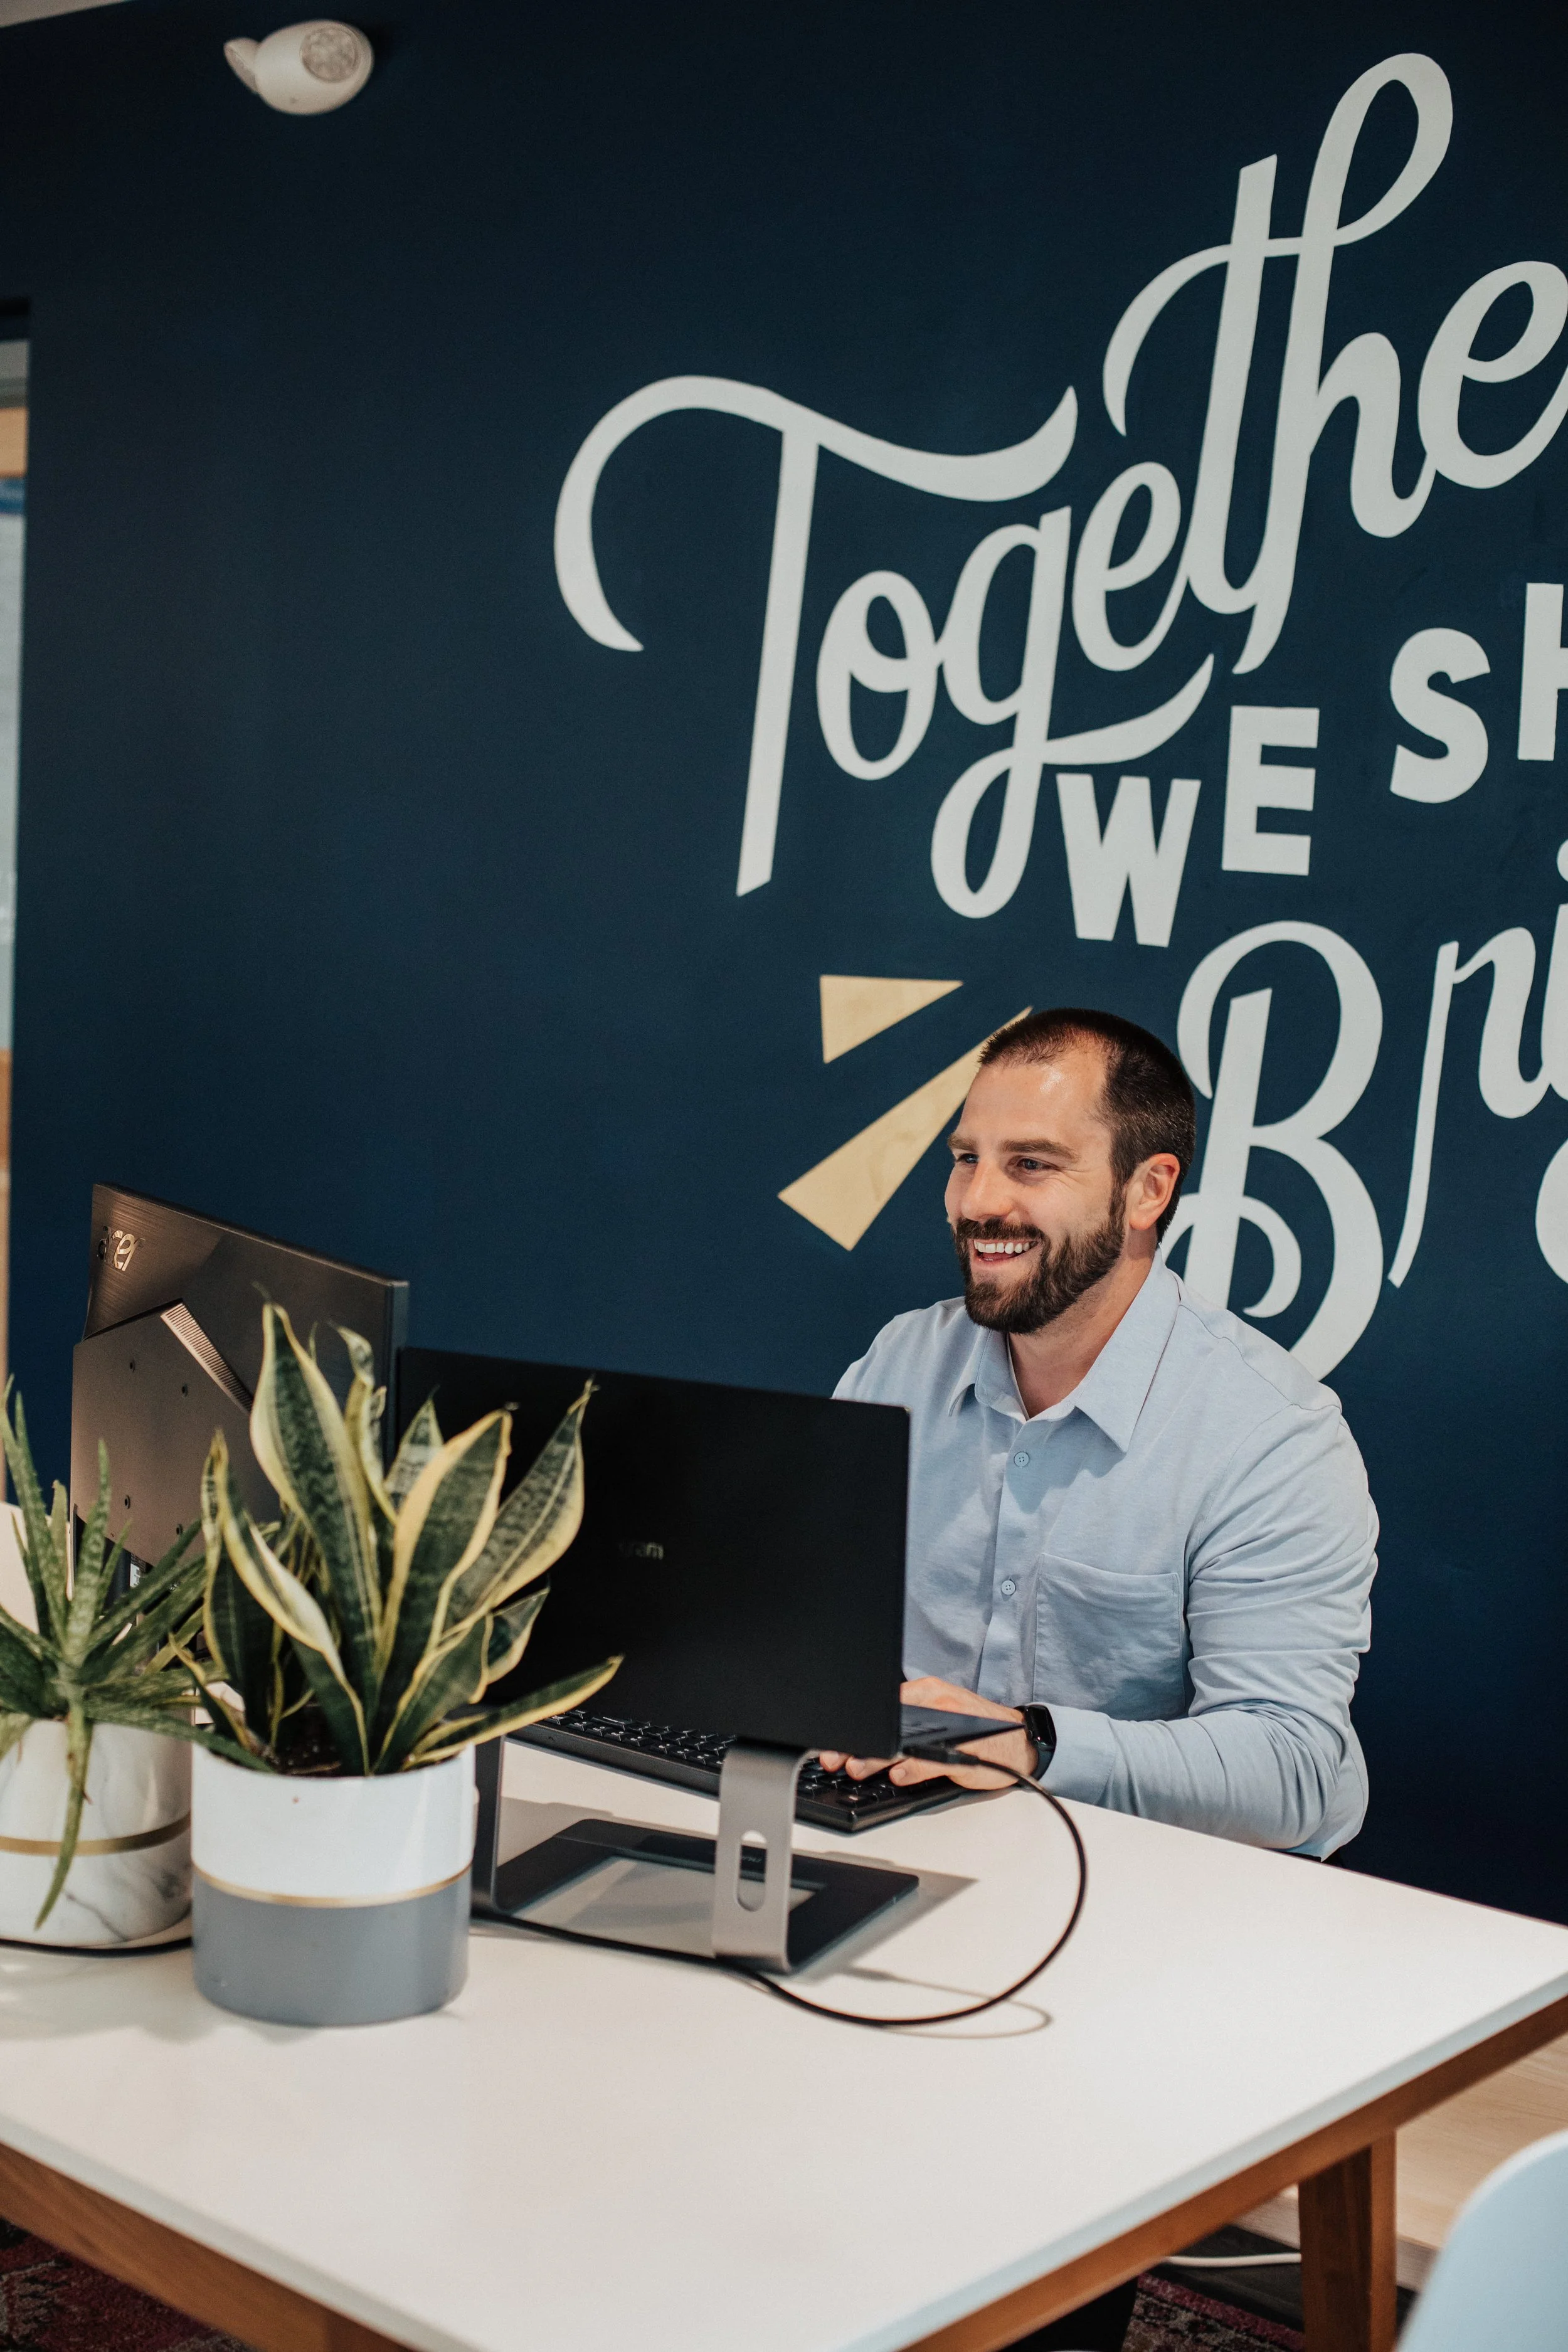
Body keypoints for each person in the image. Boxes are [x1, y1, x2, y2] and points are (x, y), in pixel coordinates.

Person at [821, 1005, 1379, 1858]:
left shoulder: (1271, 1436)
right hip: (914, 1847)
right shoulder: (901, 1362)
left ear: (1147, 1190)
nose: (978, 1201)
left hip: (1169, 1899)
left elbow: (1291, 1768)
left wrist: (1032, 1745)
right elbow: (811, 1621)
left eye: (1031, 1164)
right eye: (967, 1159)